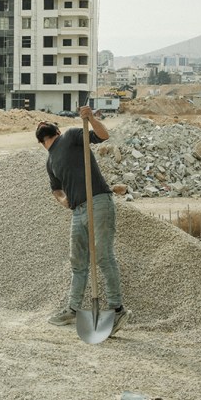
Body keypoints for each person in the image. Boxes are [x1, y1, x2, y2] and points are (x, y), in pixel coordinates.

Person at [37, 106, 130, 335]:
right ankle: (74, 308)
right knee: (78, 261)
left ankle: (117, 309)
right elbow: (55, 190)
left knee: (103, 255)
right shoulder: (50, 161)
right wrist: (63, 201)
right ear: (40, 141)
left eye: (45, 123)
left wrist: (90, 118)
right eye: (38, 125)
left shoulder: (70, 136)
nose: (41, 123)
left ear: (56, 130)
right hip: (77, 210)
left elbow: (103, 136)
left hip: (97, 200)